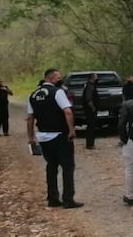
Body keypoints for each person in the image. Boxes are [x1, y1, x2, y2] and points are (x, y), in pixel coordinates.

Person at [25, 68, 82, 208]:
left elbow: (30, 118)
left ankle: (52, 198)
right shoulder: (58, 92)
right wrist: (71, 130)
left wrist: (31, 137)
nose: (60, 80)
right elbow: (67, 111)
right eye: (58, 78)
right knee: (67, 166)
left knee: (51, 166)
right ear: (51, 78)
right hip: (59, 135)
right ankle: (68, 199)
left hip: (43, 137)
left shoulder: (32, 95)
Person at [81, 73, 99, 149]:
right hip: (90, 110)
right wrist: (93, 107)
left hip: (89, 109)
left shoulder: (89, 85)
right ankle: (90, 144)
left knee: (91, 126)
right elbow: (88, 98)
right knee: (91, 126)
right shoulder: (90, 86)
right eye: (96, 77)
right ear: (92, 78)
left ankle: (90, 143)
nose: (97, 79)